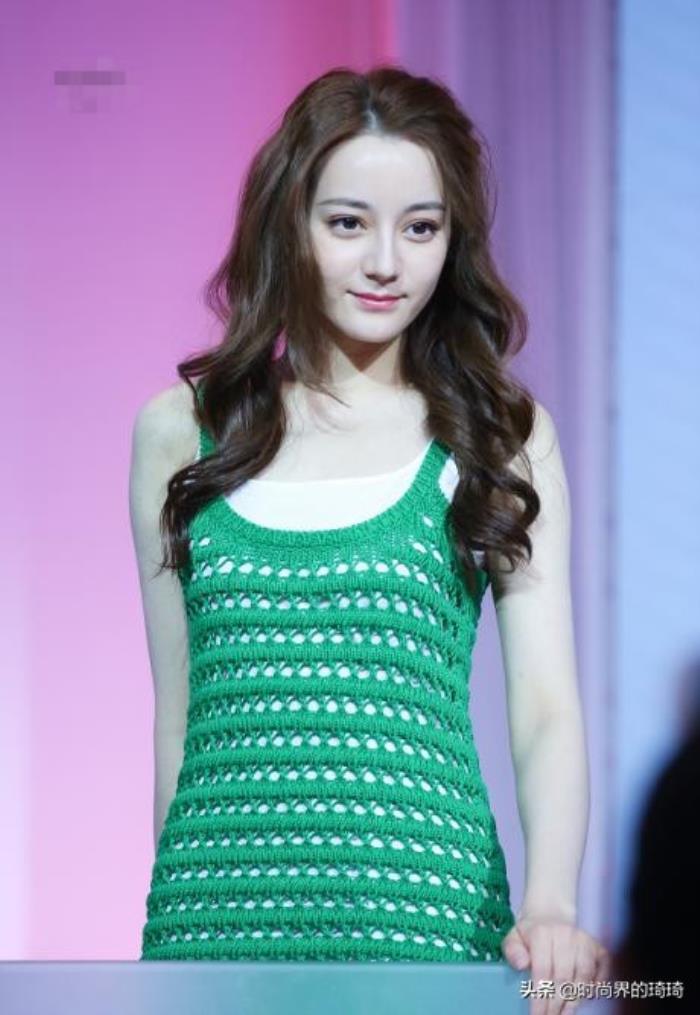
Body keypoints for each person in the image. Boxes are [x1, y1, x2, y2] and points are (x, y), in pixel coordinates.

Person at [130, 63, 609, 997]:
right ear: (290, 225)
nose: (387, 262)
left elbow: (546, 707)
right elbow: (179, 718)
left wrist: (551, 902)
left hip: (427, 923)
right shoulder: (181, 433)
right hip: (212, 927)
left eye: (421, 227)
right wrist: (185, 931)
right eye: (348, 223)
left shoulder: (497, 436)